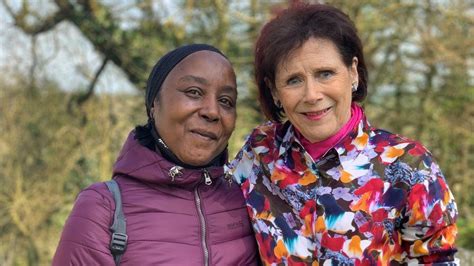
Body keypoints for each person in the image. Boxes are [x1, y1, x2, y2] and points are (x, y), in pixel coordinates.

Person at [226, 4, 458, 265]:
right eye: (294, 80)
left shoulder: (410, 168)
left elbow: (438, 259)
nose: (312, 94)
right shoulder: (258, 155)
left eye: (325, 73)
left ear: (352, 72)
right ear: (274, 90)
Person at [53, 44, 259, 265]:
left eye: (226, 101)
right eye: (194, 92)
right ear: (154, 104)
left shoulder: (250, 200)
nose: (212, 111)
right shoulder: (103, 209)